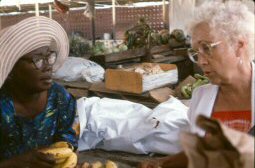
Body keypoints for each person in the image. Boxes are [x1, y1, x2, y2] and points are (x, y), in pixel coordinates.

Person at [138, 1, 255, 167]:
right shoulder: (201, 98)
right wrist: (163, 163)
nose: (200, 61)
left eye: (207, 48)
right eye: (195, 53)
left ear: (238, 46)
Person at [0, 16, 78, 167]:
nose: (48, 66)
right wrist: (15, 163)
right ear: (10, 71)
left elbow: (70, 147)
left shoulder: (61, 99)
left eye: (49, 57)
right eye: (37, 59)